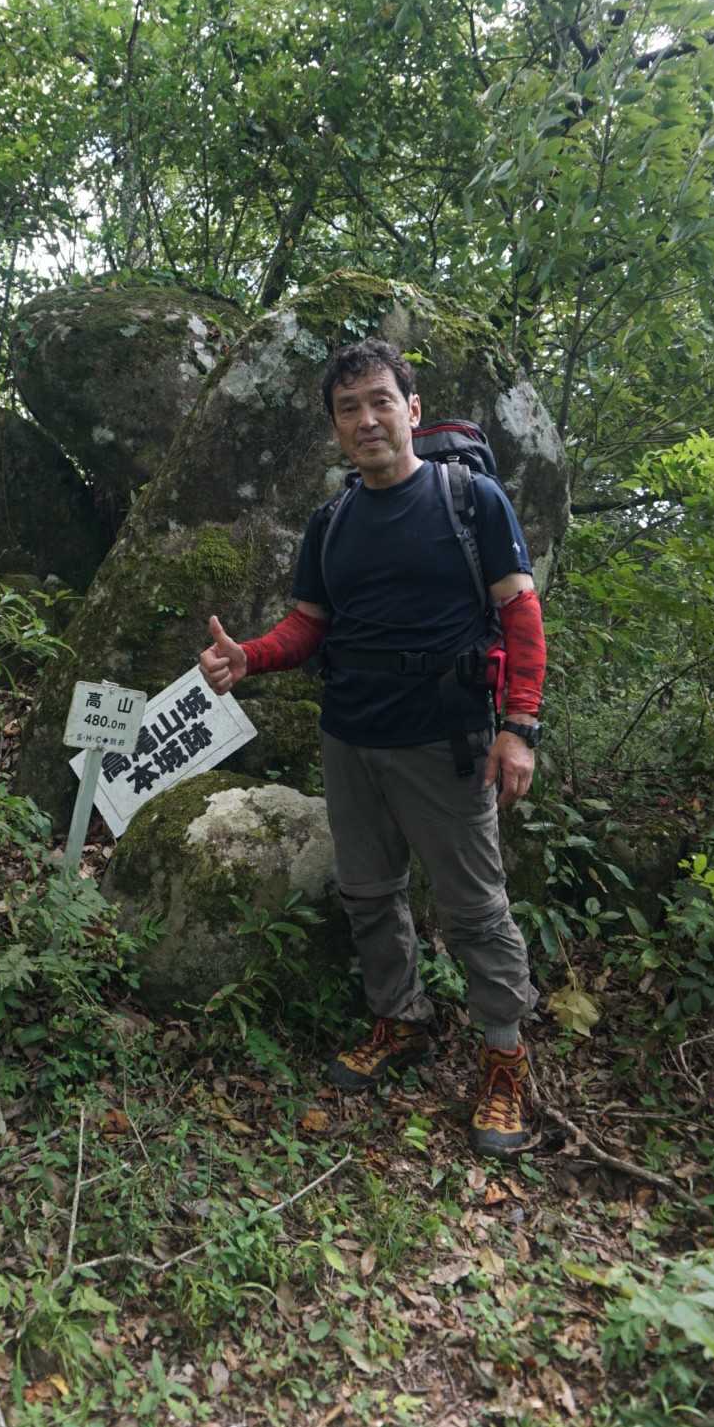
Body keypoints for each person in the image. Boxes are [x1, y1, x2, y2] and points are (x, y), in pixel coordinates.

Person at [198, 338, 547, 1158]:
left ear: (412, 411)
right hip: (350, 735)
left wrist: (519, 727)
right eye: (348, 409)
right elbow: (308, 626)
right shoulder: (332, 522)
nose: (367, 420)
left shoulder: (470, 500)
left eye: (381, 402)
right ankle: (401, 1020)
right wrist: (251, 658)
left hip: (445, 739)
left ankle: (504, 1056)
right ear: (335, 427)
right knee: (368, 892)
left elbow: (521, 615)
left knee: (473, 906)